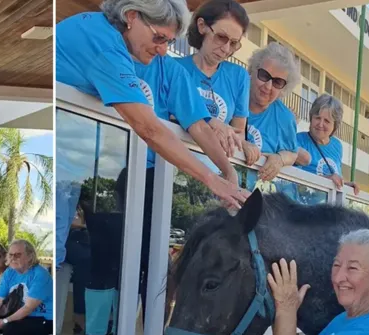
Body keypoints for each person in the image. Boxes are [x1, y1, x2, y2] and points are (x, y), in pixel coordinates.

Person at [54, 0, 250, 271]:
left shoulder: (162, 64)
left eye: (168, 42)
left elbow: (199, 126)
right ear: (131, 16)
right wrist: (210, 179)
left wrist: (227, 173)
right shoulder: (104, 45)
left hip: (82, 167)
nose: (161, 50)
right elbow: (148, 128)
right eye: (158, 38)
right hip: (67, 165)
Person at [175, 0, 260, 166]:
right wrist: (213, 125)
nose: (226, 49)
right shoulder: (175, 67)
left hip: (213, 168)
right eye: (221, 37)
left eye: (234, 43)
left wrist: (243, 143)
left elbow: (238, 132)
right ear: (202, 26)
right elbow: (169, 115)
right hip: (172, 162)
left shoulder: (239, 76)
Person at [244, 42, 301, 183]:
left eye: (277, 82)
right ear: (253, 70)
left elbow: (293, 153)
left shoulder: (285, 118)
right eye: (264, 75)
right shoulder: (234, 94)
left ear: (284, 88)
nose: (268, 86)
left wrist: (280, 159)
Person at [294, 93, 360, 194]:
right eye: (317, 118)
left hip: (327, 207)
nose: (320, 124)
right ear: (311, 118)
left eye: (327, 121)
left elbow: (334, 177)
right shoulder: (298, 140)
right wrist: (326, 180)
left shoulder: (337, 146)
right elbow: (293, 182)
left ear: (335, 125)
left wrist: (345, 186)